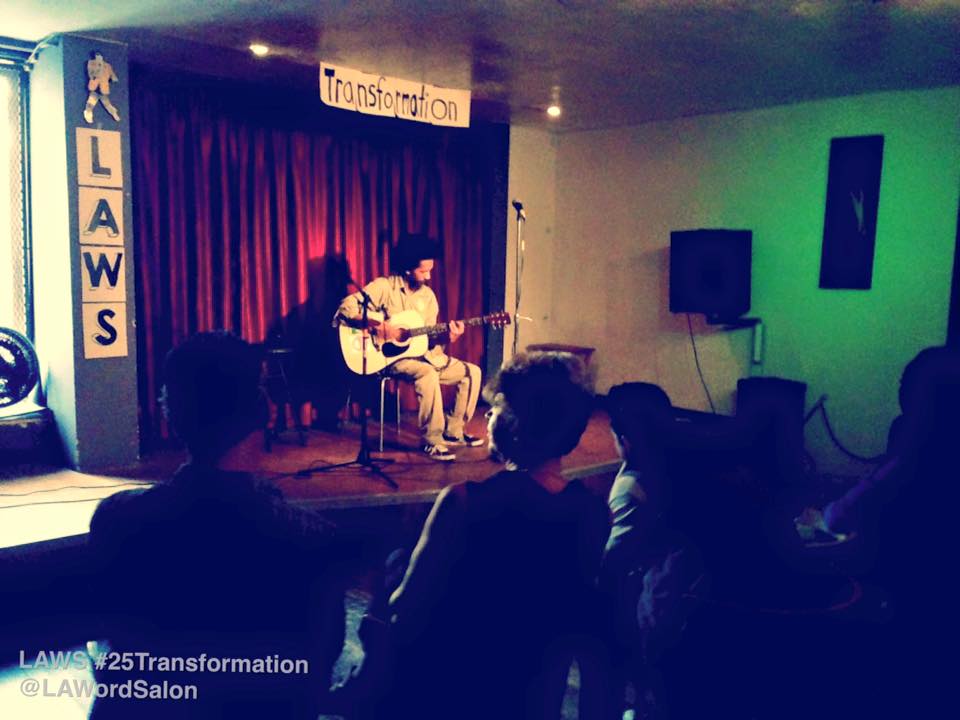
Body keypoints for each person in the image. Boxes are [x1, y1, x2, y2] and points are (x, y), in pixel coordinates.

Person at [86, 331, 346, 719]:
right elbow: (318, 668)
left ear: (170, 413)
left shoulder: (116, 520)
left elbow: (110, 640)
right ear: (263, 411)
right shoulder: (314, 540)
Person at [346, 352, 611, 719]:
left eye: (497, 406)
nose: (487, 416)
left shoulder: (463, 501)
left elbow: (406, 606)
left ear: (517, 423)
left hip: (452, 689)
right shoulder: (593, 513)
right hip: (533, 695)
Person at [336, 233, 482, 461]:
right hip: (389, 358)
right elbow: (346, 308)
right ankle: (432, 441)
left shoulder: (428, 296)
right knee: (427, 372)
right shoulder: (384, 287)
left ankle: (454, 432)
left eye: (430, 270)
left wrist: (447, 337)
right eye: (423, 271)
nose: (429, 276)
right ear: (407, 269)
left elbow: (428, 338)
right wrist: (377, 325)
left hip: (425, 355)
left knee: (472, 372)